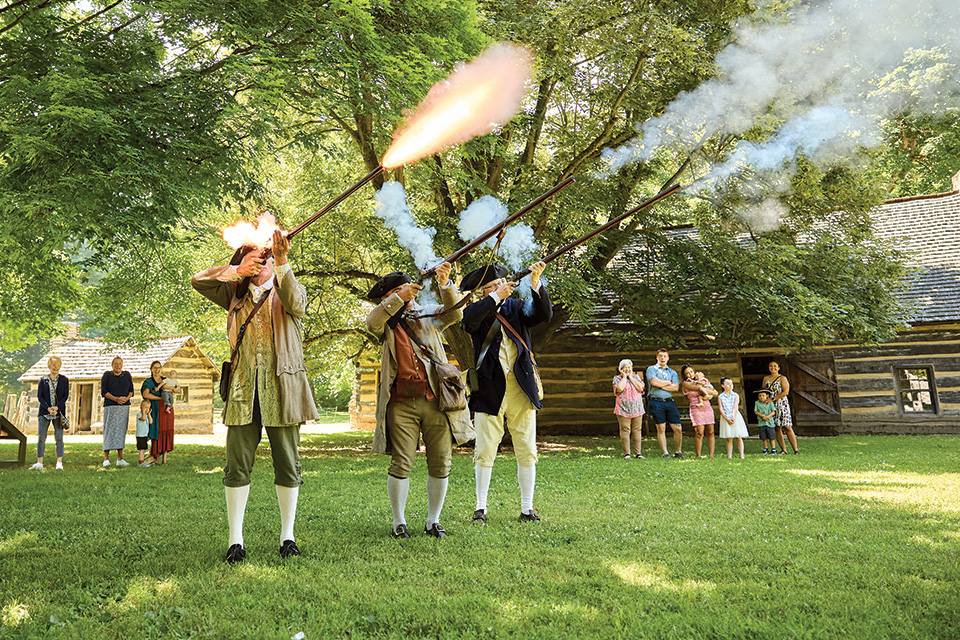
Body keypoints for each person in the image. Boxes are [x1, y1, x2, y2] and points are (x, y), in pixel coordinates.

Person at [192, 229, 319, 563]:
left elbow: (297, 303)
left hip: (284, 390)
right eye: (257, 258)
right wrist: (236, 271)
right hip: (242, 390)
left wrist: (283, 261)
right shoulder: (233, 295)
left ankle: (287, 536)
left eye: (266, 258)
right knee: (237, 466)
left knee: (288, 465)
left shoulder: (286, 286)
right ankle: (236, 540)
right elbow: (198, 280)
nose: (264, 262)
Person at [365, 263, 473, 539]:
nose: (410, 298)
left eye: (410, 292)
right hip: (401, 404)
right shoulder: (385, 323)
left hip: (437, 400)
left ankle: (433, 521)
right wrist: (399, 297)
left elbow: (455, 312)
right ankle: (398, 522)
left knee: (440, 463)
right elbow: (372, 321)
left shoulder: (427, 316)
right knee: (401, 463)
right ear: (390, 297)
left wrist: (445, 283)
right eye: (402, 293)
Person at [461, 261, 551, 523]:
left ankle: (527, 508)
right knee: (485, 448)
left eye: (501, 283)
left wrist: (535, 282)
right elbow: (469, 322)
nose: (500, 287)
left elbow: (542, 315)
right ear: (485, 291)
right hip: (489, 390)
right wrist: (494, 298)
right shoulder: (478, 310)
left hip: (521, 389)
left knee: (526, 448)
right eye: (493, 285)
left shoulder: (517, 307)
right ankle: (481, 507)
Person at [30, 356, 69, 471]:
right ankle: (39, 462)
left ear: (60, 366)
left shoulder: (64, 380)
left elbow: (65, 396)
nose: (55, 367)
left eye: (57, 364)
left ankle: (59, 462)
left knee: (59, 437)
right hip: (44, 412)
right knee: (41, 437)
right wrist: (48, 408)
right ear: (49, 366)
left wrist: (57, 407)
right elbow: (40, 396)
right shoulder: (43, 380)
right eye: (53, 364)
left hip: (58, 412)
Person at [646, 348, 683, 458]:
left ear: (668, 358)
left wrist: (660, 384)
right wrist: (667, 383)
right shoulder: (651, 369)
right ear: (657, 357)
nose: (662, 358)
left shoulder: (672, 372)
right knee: (661, 428)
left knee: (678, 428)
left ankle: (678, 451)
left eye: (664, 356)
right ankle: (665, 452)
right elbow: (653, 382)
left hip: (670, 402)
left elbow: (676, 387)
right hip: (656, 402)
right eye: (660, 356)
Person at [101, 356, 134, 467]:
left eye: (120, 363)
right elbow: (104, 391)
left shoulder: (127, 375)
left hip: (124, 407)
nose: (118, 365)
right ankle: (106, 458)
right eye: (115, 363)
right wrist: (116, 399)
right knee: (109, 430)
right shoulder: (107, 375)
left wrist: (125, 399)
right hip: (111, 406)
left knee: (121, 431)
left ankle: (120, 458)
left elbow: (131, 391)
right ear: (112, 364)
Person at [140, 360, 174, 465]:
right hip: (155, 409)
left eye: (159, 367)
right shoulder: (148, 382)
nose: (157, 370)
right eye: (155, 367)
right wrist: (160, 398)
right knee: (157, 431)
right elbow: (146, 394)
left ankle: (164, 459)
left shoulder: (166, 380)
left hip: (167, 409)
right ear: (151, 369)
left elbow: (175, 389)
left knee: (167, 431)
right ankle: (156, 457)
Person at [680, 365, 718, 459]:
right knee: (699, 432)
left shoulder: (702, 380)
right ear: (684, 375)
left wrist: (708, 390)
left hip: (707, 407)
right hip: (696, 407)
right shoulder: (686, 383)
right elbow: (699, 388)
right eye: (687, 373)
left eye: (691, 372)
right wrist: (701, 382)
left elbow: (715, 392)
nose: (690, 374)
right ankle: (698, 455)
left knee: (711, 431)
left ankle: (711, 455)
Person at [762, 360, 799, 454]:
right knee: (777, 427)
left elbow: (785, 392)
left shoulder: (782, 378)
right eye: (771, 366)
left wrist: (773, 398)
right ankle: (783, 449)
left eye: (775, 366)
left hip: (781, 403)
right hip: (770, 405)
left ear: (778, 368)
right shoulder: (766, 378)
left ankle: (795, 449)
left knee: (787, 426)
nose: (773, 368)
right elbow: (763, 391)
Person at [613, 359, 645, 459]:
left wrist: (630, 377)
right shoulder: (617, 378)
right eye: (625, 367)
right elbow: (619, 389)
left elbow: (640, 388)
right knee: (625, 430)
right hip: (623, 409)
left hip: (637, 408)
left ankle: (638, 453)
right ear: (620, 369)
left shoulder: (636, 377)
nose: (627, 369)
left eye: (629, 367)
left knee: (637, 430)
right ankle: (627, 454)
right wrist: (624, 377)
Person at [717, 377, 749, 459]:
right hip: (726, 416)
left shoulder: (735, 395)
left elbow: (735, 406)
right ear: (723, 385)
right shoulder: (720, 396)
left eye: (731, 384)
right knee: (729, 437)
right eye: (728, 384)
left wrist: (733, 417)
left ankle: (741, 455)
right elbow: (721, 408)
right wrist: (727, 418)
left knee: (738, 436)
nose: (730, 386)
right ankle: (729, 456)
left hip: (735, 416)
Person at [754, 388, 777, 454]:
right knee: (764, 437)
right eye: (760, 396)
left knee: (771, 437)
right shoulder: (757, 403)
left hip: (770, 423)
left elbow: (773, 411)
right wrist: (762, 416)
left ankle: (773, 449)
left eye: (763, 396)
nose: (761, 397)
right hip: (761, 423)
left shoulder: (770, 403)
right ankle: (765, 449)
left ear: (767, 396)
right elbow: (756, 411)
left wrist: (767, 417)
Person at [135, 399, 153, 466]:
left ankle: (142, 461)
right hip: (140, 435)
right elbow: (143, 418)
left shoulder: (147, 416)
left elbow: (151, 421)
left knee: (144, 449)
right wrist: (142, 411)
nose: (146, 409)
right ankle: (140, 462)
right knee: (142, 449)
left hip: (144, 435)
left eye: (148, 408)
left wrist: (149, 414)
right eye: (145, 408)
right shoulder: (139, 415)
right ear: (141, 408)